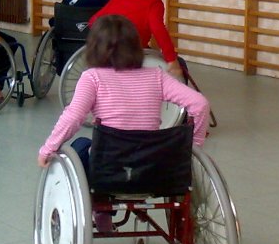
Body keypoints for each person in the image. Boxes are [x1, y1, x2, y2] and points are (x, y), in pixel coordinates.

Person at [37, 14, 208, 169]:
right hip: (150, 163)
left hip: (109, 163)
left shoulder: (92, 77)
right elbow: (200, 104)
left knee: (80, 145)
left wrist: (48, 148)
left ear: (94, 47)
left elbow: (73, 117)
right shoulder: (157, 76)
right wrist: (195, 145)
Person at [90, 0, 182, 79]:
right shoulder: (154, 3)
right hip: (131, 51)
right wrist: (171, 59)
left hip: (106, 50)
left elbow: (93, 21)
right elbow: (158, 30)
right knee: (180, 64)